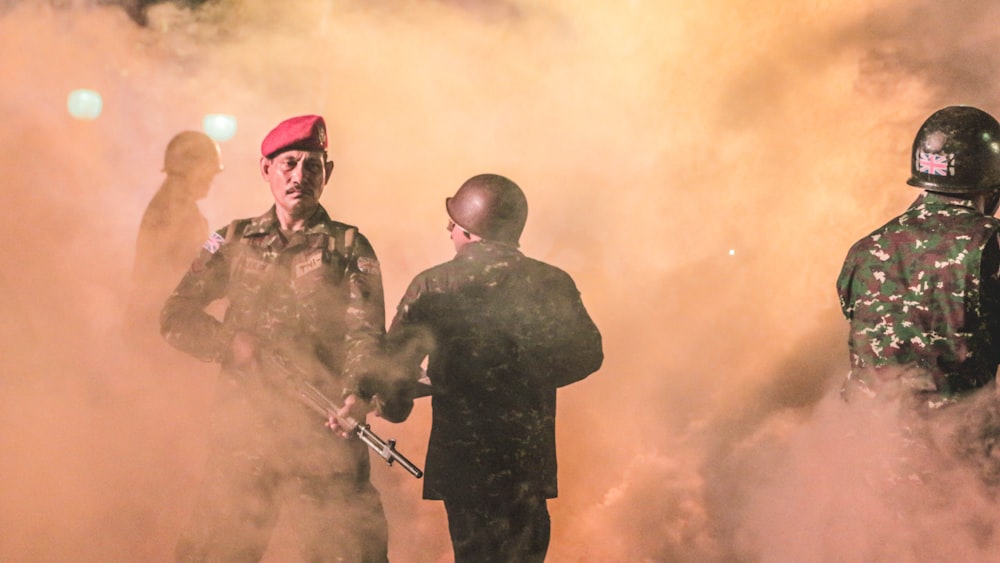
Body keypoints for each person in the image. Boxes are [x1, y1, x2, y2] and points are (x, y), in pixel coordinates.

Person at [161, 115, 392, 562]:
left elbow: (366, 334)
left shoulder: (348, 247)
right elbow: (175, 316)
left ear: (328, 173)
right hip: (243, 435)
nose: (299, 177)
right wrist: (229, 343)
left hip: (322, 434)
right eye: (288, 164)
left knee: (348, 552)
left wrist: (356, 396)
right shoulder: (230, 239)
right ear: (265, 169)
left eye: (311, 166)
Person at [380, 173, 604, 562]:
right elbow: (588, 354)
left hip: (463, 469)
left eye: (453, 222)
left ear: (465, 228)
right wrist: (524, 372)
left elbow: (392, 372)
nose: (449, 229)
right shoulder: (552, 282)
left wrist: (402, 401)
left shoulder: (432, 286)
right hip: (527, 466)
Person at [837, 105, 1000, 409]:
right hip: (957, 446)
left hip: (866, 442)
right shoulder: (990, 244)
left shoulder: (863, 250)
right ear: (992, 187)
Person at [125, 130, 222, 354]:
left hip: (152, 321)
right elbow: (192, 265)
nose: (210, 181)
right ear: (192, 170)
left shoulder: (170, 205)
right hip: (159, 326)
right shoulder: (176, 211)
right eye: (209, 173)